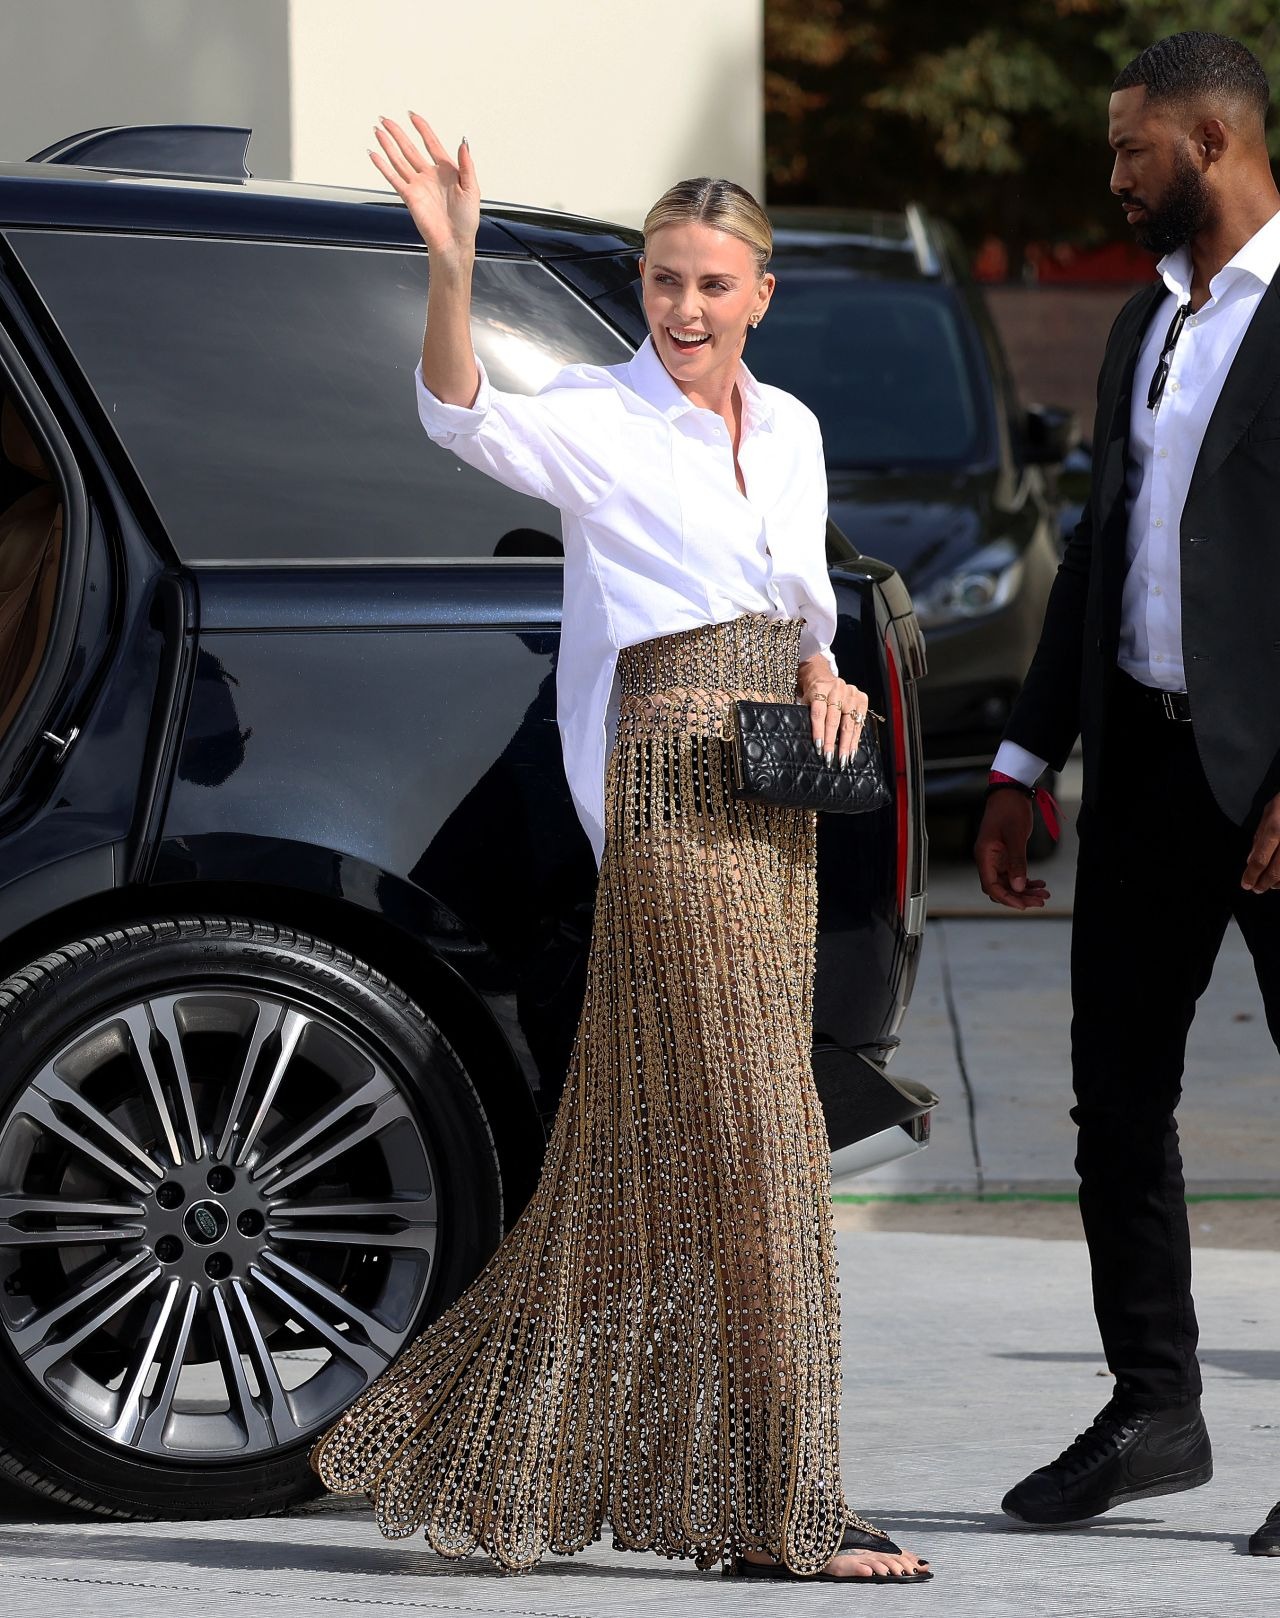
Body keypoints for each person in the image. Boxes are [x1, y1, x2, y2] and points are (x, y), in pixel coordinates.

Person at [309, 112, 933, 1586]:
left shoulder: (790, 430)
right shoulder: (597, 412)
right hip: (664, 797)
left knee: (669, 1169)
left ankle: (447, 1437)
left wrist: (829, 668)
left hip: (772, 801)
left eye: (712, 284)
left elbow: (799, 602)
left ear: (760, 293)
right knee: (772, 1152)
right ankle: (790, 1506)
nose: (685, 307)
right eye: (663, 280)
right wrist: (452, 268)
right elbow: (457, 413)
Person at [974, 32, 1280, 1558]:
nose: (1114, 176)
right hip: (1149, 766)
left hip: (1276, 780)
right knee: (1116, 1104)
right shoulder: (1145, 326)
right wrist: (1025, 762)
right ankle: (1157, 1404)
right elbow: (1095, 557)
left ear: (1214, 142)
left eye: (1132, 151)